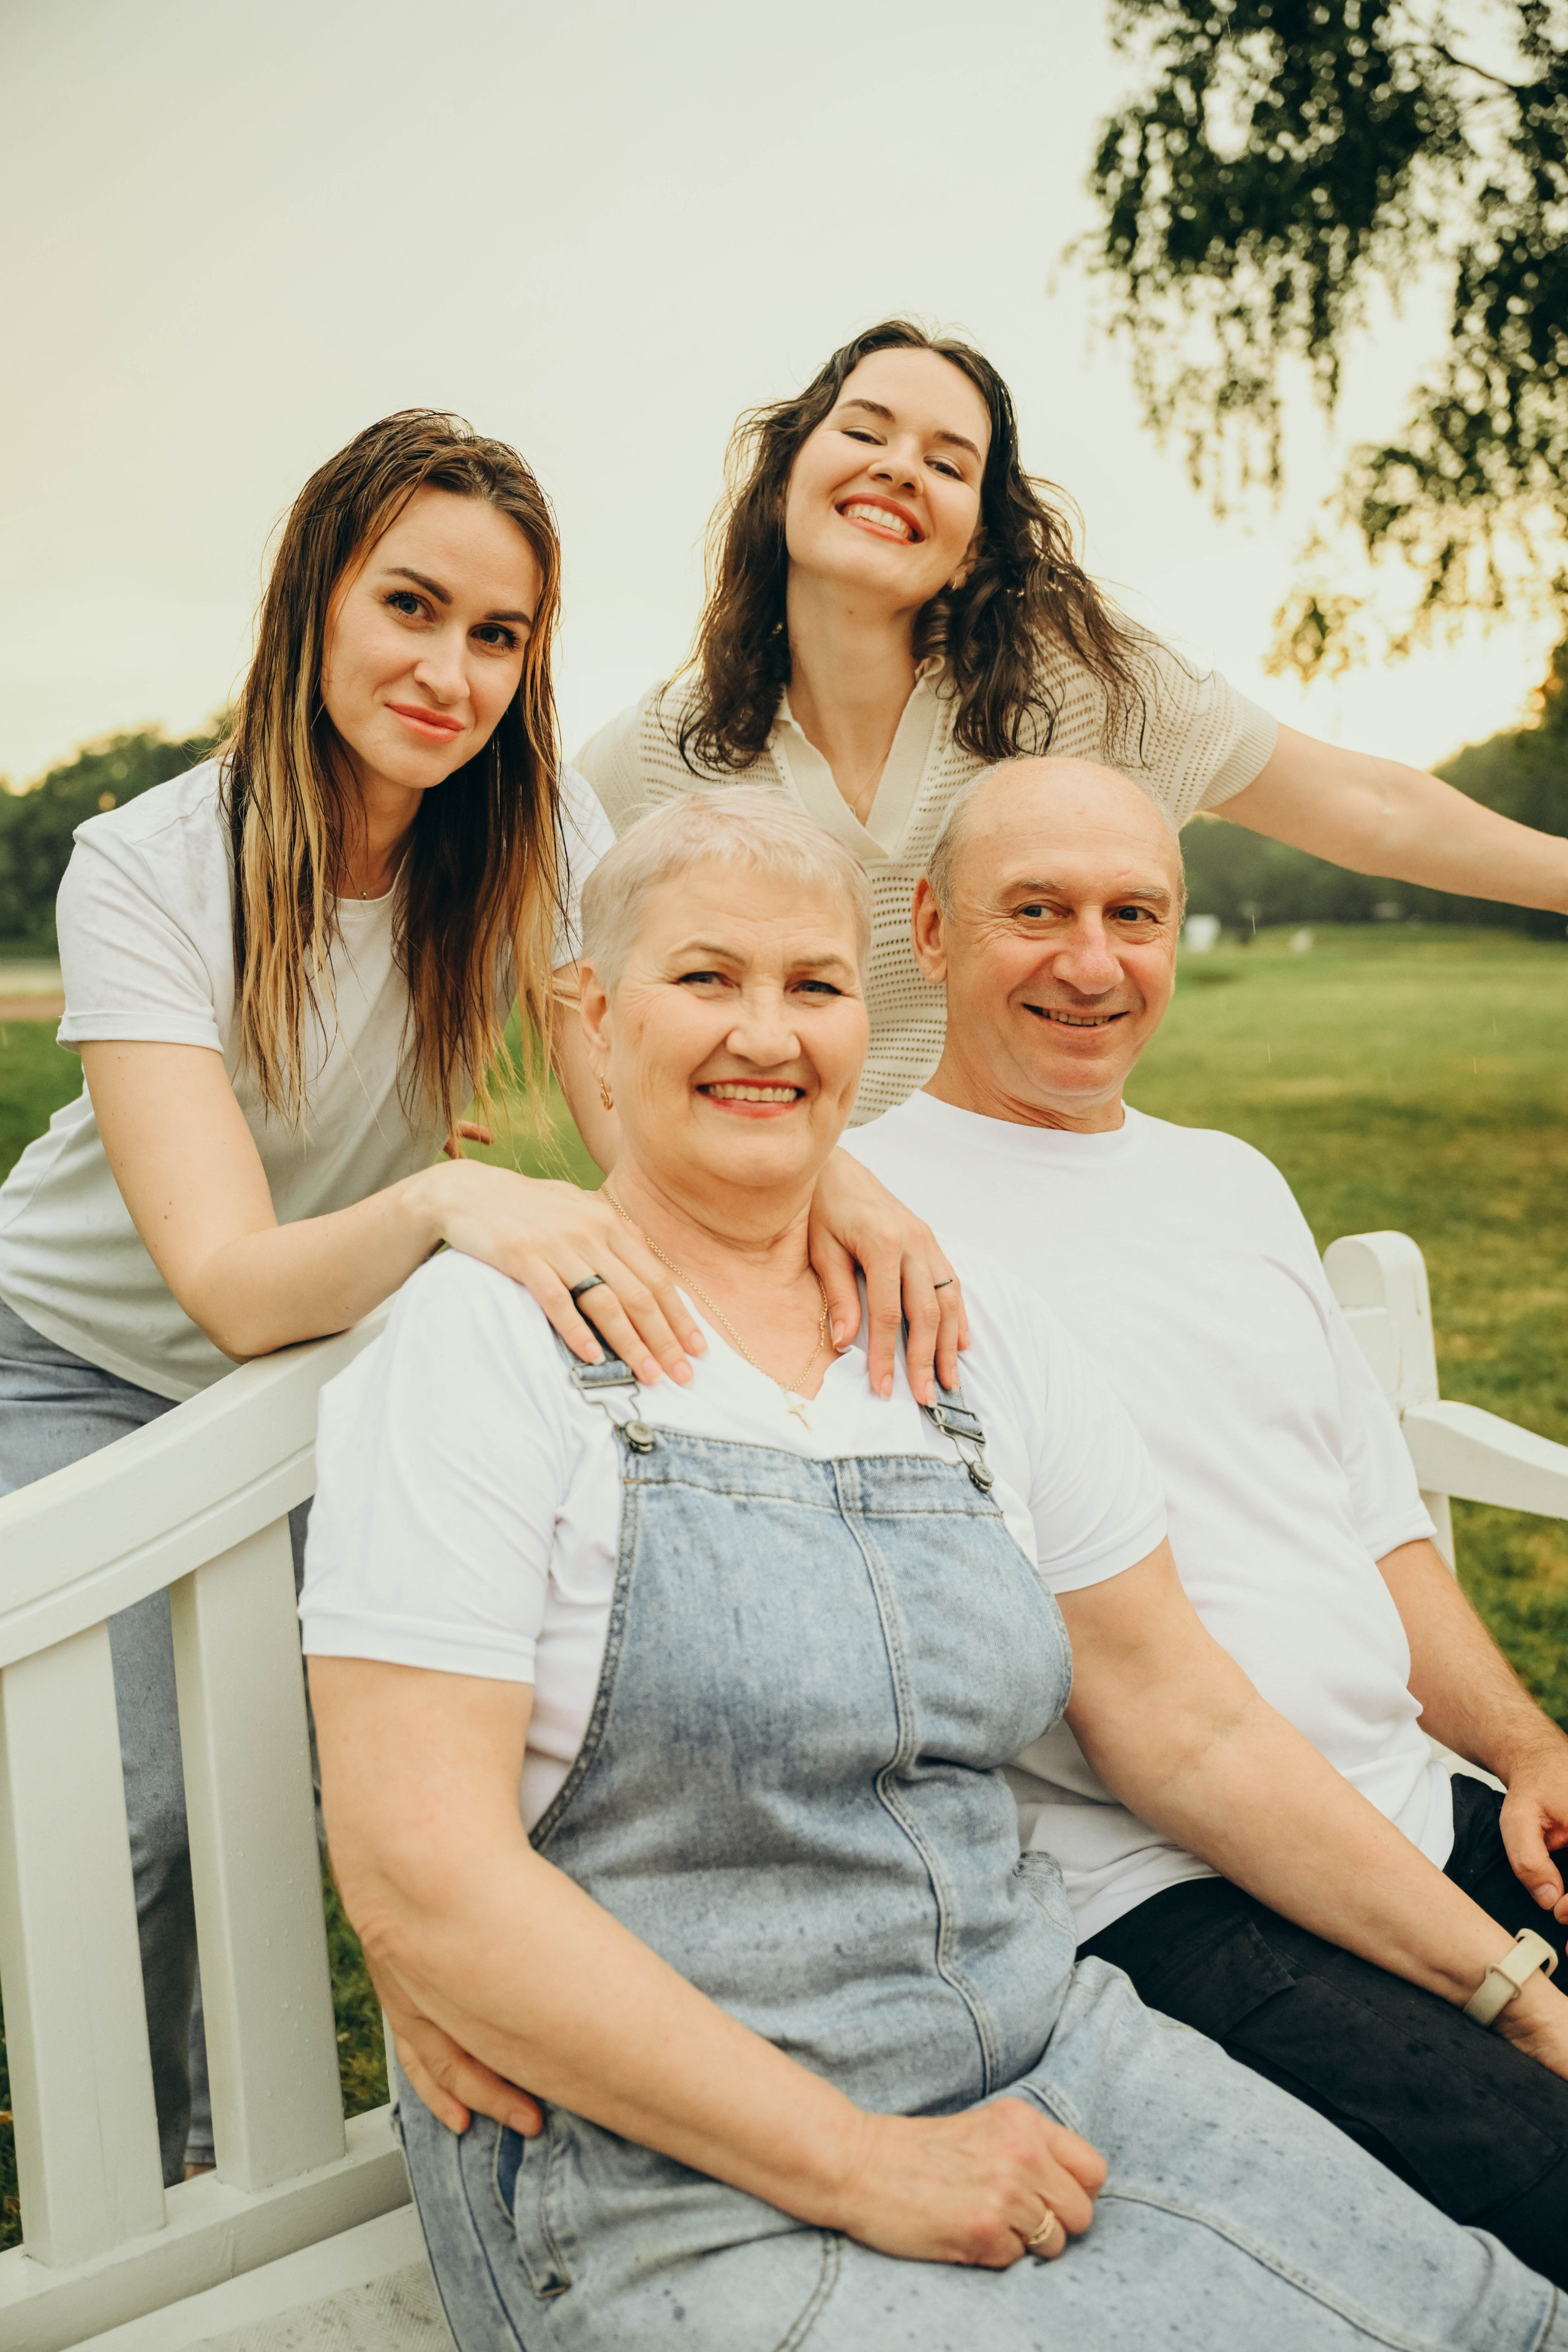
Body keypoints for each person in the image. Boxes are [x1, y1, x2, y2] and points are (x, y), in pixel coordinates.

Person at [304, 790, 1568, 2351]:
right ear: (592, 1012)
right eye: (705, 979)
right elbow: (426, 1871)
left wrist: (1516, 1993)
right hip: (661, 2157)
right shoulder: (478, 1349)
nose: (763, 1034)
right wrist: (859, 2165)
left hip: (1046, 2053)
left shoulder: (972, 1339)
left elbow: (1191, 1723)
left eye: (811, 987)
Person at [0, 411, 953, 2184]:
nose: (450, 674)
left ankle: (371, 2124)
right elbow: (219, 1286)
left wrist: (848, 1188)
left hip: (337, 1349)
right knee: (129, 1815)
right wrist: (449, 1196)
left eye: (499, 637)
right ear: (317, 603)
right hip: (71, 1366)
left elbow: (643, 1121)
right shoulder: (148, 862)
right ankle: (149, 2193)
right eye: (412, 609)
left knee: (363, 1776)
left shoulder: (535, 827)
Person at [841, 753, 1568, 2278]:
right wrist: (1512, 1984)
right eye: (1034, 911)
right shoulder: (864, 1220)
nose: (1091, 964)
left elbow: (1378, 1531)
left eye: (1134, 913)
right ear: (927, 929)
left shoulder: (1230, 1183)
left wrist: (1520, 1751)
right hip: (1173, 1892)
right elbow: (1147, 1726)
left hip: (1422, 1809)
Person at [576, 317, 1568, 1125]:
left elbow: (1370, 808)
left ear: (971, 546)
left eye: (949, 463)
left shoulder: (1081, 688)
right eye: (867, 433)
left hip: (1023, 1217)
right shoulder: (658, 754)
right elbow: (550, 974)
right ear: (787, 475)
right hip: (762, 1239)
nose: (901, 468)